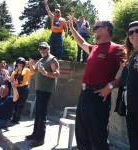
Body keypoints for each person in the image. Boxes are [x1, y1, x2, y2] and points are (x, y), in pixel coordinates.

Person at [68, 18, 126, 150]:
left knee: (98, 137)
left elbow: (129, 72)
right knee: (81, 134)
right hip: (84, 95)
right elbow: (81, 42)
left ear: (105, 29)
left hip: (99, 96)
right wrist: (72, 28)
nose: (93, 31)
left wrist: (110, 86)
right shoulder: (94, 48)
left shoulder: (116, 49)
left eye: (95, 28)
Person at [25, 42, 60, 148]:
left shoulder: (53, 59)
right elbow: (33, 72)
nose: (42, 50)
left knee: (42, 114)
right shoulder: (40, 60)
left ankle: (40, 139)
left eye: (44, 48)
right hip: (39, 90)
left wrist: (45, 73)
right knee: (38, 113)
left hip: (46, 90)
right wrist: (31, 64)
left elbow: (57, 73)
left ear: (48, 49)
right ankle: (35, 134)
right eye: (40, 48)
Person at [2, 57, 31, 124]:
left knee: (21, 104)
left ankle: (17, 119)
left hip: (24, 88)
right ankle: (14, 117)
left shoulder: (26, 70)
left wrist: (29, 64)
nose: (19, 65)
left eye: (21, 64)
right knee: (15, 103)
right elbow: (10, 79)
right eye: (18, 64)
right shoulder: (15, 72)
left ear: (23, 64)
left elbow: (23, 73)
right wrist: (6, 74)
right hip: (17, 88)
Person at [123, 21, 138, 150]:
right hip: (131, 107)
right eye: (131, 32)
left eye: (137, 31)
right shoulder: (132, 55)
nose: (134, 34)